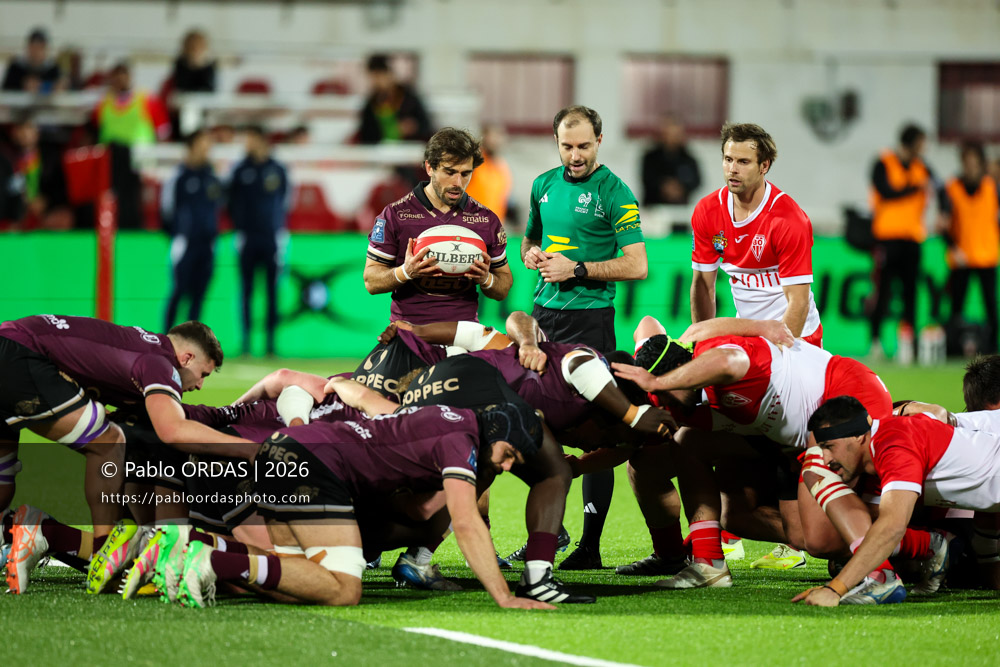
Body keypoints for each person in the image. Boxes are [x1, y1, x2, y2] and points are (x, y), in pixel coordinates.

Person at [156, 403, 555, 611]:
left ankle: (190, 547)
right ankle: (209, 561)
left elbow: (418, 508)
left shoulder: (449, 420)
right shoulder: (462, 439)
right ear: (497, 432)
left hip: (282, 451)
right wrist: (504, 596)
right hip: (316, 464)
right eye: (508, 455)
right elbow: (467, 523)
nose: (504, 467)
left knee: (293, 586)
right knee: (344, 591)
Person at [0, 316, 255, 594]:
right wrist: (250, 450)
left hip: (12, 345)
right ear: (187, 357)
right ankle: (104, 557)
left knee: (3, 482)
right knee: (109, 443)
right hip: (21, 354)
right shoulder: (160, 363)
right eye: (203, 374)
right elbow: (172, 429)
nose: (199, 385)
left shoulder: (142, 347)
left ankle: (14, 531)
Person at [520, 105, 648, 570]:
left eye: (583, 146)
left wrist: (578, 269)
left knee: (599, 430)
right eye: (566, 146)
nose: (574, 155)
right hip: (542, 320)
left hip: (591, 323)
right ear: (556, 143)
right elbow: (528, 240)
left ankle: (590, 546)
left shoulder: (615, 193)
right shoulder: (543, 185)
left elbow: (637, 264)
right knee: (534, 428)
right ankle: (549, 535)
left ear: (599, 140)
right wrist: (532, 255)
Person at [689, 121, 821, 567]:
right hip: (746, 337)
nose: (732, 168)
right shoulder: (709, 211)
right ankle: (727, 530)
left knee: (790, 437)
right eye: (727, 159)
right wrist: (702, 345)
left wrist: (781, 358)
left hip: (795, 339)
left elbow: (797, 303)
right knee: (722, 422)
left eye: (743, 161)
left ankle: (800, 531)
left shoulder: (788, 218)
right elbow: (702, 286)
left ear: (765, 165)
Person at [793, 396, 1000, 607]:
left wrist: (835, 589)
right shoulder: (888, 438)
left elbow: (892, 526)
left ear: (857, 437)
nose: (827, 458)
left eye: (829, 446)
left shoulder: (894, 445)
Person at [363, 127, 512, 324]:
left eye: (466, 174)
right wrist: (405, 271)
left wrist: (486, 279)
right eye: (449, 172)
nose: (458, 182)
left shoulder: (486, 219)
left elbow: (503, 285)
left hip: (463, 335)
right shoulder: (395, 215)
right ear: (429, 167)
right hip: (409, 333)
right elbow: (371, 281)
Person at [867, 123, 937, 361]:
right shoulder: (883, 163)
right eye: (921, 143)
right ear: (912, 142)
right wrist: (915, 188)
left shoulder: (922, 167)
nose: (923, 148)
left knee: (910, 294)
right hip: (887, 238)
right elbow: (886, 191)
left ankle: (908, 345)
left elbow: (939, 187)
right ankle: (875, 342)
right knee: (883, 291)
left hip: (912, 238)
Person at [227, 126, 290, 356]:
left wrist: (277, 229)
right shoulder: (240, 169)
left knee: (272, 291)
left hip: (271, 237)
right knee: (247, 290)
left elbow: (284, 200)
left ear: (262, 141)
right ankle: (245, 342)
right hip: (247, 237)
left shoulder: (277, 170)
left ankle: (271, 343)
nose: (247, 143)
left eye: (251, 138)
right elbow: (229, 201)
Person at [92, 61, 170, 229]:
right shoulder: (102, 104)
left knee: (139, 204)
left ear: (130, 77)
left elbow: (164, 132)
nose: (120, 81)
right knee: (112, 202)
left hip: (140, 161)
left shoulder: (148, 100)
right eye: (116, 77)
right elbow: (96, 130)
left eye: (124, 76)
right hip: (111, 161)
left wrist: (157, 162)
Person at [939, 142, 999, 354]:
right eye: (967, 163)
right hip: (961, 257)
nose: (971, 168)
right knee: (956, 307)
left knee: (991, 306)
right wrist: (953, 247)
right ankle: (953, 348)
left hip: (986, 255)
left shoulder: (993, 187)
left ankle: (993, 349)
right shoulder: (951, 187)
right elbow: (943, 224)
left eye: (975, 163)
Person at [163, 129, 223, 331]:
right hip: (186, 243)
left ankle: (191, 344)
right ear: (191, 147)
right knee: (179, 292)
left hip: (208, 244)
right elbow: (166, 210)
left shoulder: (212, 176)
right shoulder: (179, 177)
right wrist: (180, 234)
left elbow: (218, 208)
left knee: (199, 295)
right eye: (203, 143)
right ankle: (164, 339)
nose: (207, 149)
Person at [357, 54, 433, 145]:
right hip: (379, 153)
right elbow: (366, 135)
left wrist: (414, 127)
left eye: (379, 76)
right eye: (373, 77)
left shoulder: (409, 98)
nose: (377, 81)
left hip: (408, 150)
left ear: (390, 74)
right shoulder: (371, 103)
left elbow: (426, 126)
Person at [640, 115, 701, 205]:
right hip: (654, 207)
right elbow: (647, 179)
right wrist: (664, 187)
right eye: (668, 134)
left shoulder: (688, 159)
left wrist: (681, 188)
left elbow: (696, 181)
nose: (672, 138)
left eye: (675, 134)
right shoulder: (650, 158)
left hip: (680, 207)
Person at [465, 124, 514, 225]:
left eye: (498, 136)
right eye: (491, 136)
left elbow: (501, 200)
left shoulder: (501, 167)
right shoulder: (472, 161)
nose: (495, 141)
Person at [2, 28, 65, 94]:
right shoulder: (16, 68)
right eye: (34, 48)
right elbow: (6, 93)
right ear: (28, 48)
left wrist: (56, 89)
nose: (36, 53)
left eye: (40, 48)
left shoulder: (53, 69)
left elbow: (62, 88)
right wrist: (23, 87)